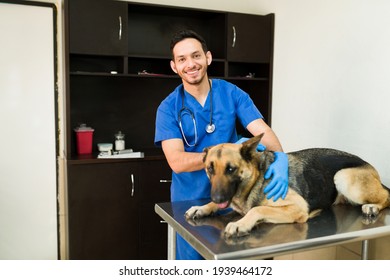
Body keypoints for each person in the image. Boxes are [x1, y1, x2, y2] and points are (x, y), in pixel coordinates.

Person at [154, 30, 288, 260]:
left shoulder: (232, 93)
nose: (190, 64)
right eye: (182, 59)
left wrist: (280, 156)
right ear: (174, 67)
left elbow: (262, 131)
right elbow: (177, 162)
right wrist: (225, 153)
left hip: (234, 202)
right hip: (190, 204)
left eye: (196, 56)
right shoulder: (168, 108)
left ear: (207, 57)